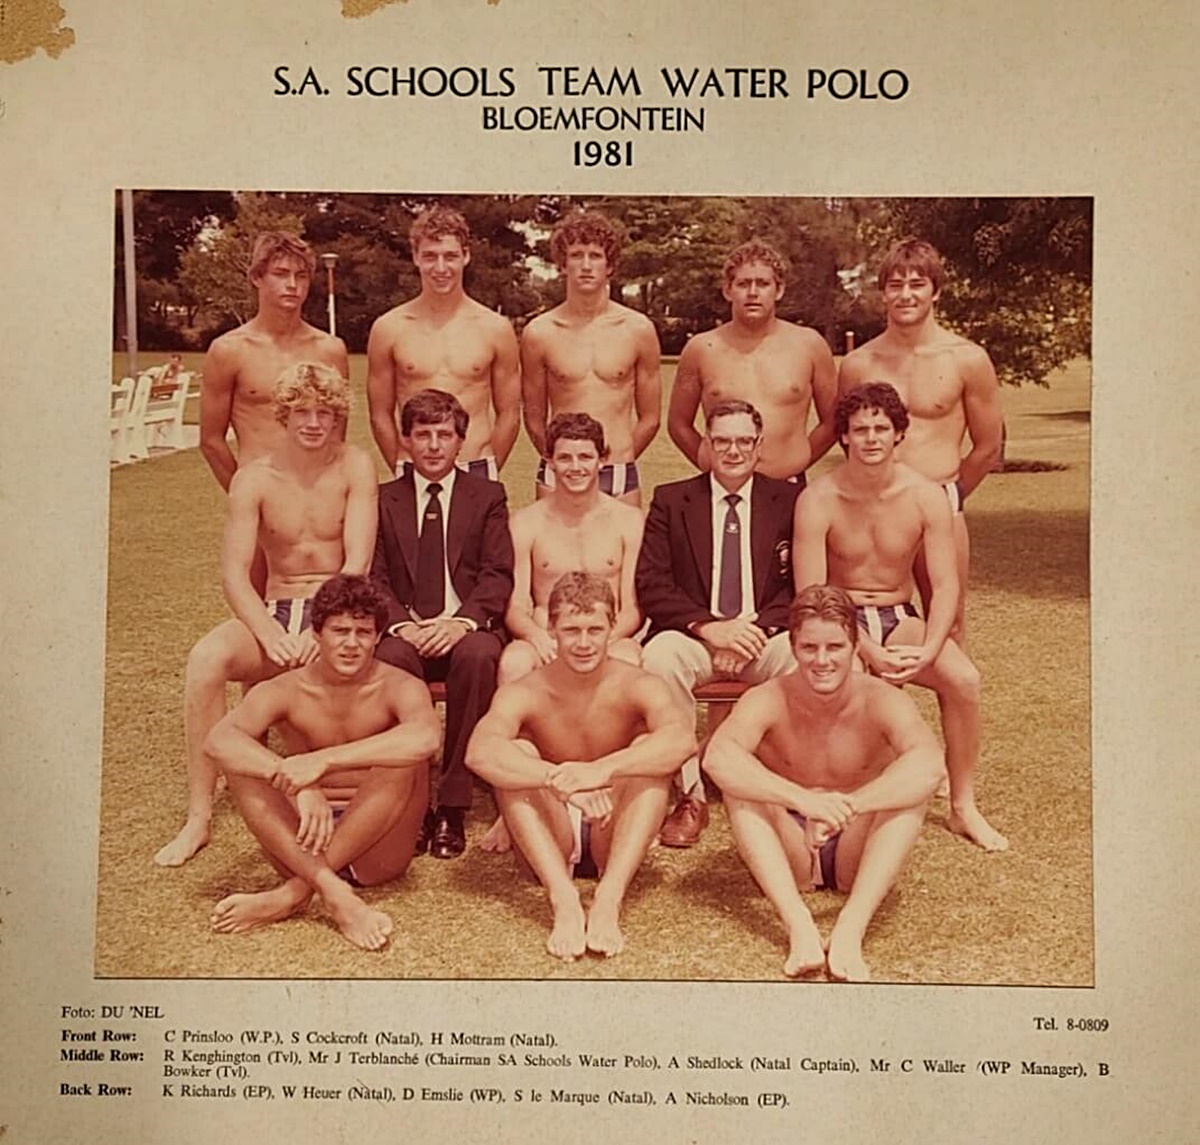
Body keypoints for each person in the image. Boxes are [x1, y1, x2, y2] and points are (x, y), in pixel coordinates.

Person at [154, 364, 378, 867]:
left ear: (337, 415)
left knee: (316, 664)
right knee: (206, 659)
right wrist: (271, 632)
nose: (314, 422)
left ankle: (311, 787)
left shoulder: (354, 466)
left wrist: (318, 631)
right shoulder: (253, 477)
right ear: (284, 415)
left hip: (334, 612)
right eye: (303, 412)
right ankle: (199, 816)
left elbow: (356, 564)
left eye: (324, 412)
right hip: (276, 609)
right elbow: (235, 575)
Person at [793, 381, 1007, 851]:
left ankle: (963, 806)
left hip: (897, 615)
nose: (870, 438)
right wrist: (864, 648)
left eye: (881, 429)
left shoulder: (926, 495)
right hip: (837, 620)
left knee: (964, 680)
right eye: (859, 429)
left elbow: (946, 583)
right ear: (844, 437)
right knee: (838, 682)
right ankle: (835, 799)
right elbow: (812, 592)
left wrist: (929, 646)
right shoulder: (819, 497)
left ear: (899, 434)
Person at [703, 584, 944, 981]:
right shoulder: (769, 697)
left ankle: (851, 928)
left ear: (854, 646)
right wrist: (803, 800)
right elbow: (719, 757)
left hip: (856, 841)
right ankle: (799, 925)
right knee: (740, 788)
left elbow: (930, 765)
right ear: (793, 647)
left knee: (909, 793)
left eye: (834, 648)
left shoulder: (882, 698)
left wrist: (849, 806)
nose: (822, 660)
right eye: (809, 648)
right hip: (790, 843)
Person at [465, 573, 694, 961]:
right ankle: (564, 899)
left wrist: (601, 770)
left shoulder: (639, 683)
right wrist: (558, 780)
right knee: (516, 752)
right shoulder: (527, 690)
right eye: (571, 630)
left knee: (648, 751)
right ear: (551, 629)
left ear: (612, 629)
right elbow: (480, 752)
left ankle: (609, 897)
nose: (584, 643)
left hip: (615, 822)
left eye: (595, 629)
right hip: (550, 825)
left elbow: (681, 740)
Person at [206, 575, 440, 951]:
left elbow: (426, 738)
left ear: (378, 637)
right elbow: (218, 739)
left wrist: (320, 762)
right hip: (301, 841)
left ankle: (291, 895)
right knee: (242, 765)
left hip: (377, 849)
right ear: (316, 633)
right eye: (340, 630)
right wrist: (289, 779)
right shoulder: (285, 689)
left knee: (401, 758)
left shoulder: (399, 685)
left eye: (363, 632)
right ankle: (333, 891)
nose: (351, 643)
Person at [635, 399, 802, 848]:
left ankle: (783, 787)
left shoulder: (788, 500)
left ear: (759, 445)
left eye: (744, 441)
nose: (733, 451)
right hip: (696, 635)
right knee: (657, 658)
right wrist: (710, 627)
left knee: (803, 659)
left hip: (762, 635)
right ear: (707, 443)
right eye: (722, 440)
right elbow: (652, 583)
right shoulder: (672, 499)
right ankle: (690, 794)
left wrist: (756, 632)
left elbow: (800, 589)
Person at [480, 412, 644, 855]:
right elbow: (513, 603)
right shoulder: (526, 523)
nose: (575, 467)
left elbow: (632, 607)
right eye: (565, 458)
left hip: (608, 636)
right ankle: (514, 798)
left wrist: (602, 642)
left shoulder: (629, 521)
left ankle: (615, 782)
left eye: (585, 457)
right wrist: (537, 637)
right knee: (514, 661)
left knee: (629, 660)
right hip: (546, 637)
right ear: (549, 462)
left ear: (602, 461)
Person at [370, 389, 514, 860]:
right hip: (406, 631)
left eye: (444, 436)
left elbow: (498, 573)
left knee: (480, 655)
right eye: (423, 435)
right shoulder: (382, 499)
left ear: (461, 442)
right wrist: (399, 626)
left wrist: (463, 622)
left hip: (463, 628)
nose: (433, 446)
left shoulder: (486, 495)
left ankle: (452, 803)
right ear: (406, 441)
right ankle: (412, 801)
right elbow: (376, 576)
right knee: (390, 658)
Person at [838, 237, 1004, 642]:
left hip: (941, 504)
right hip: (873, 508)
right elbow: (847, 440)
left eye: (917, 283)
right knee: (869, 623)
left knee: (948, 624)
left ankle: (957, 702)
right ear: (883, 294)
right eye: (895, 284)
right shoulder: (859, 363)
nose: (906, 294)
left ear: (936, 291)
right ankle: (884, 706)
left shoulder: (966, 359)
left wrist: (950, 496)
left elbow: (988, 446)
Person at [367, 206, 521, 479]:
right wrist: (402, 466)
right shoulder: (389, 328)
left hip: (476, 465)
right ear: (415, 257)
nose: (440, 268)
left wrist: (486, 470)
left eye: (450, 256)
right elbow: (380, 414)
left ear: (466, 256)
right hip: (412, 469)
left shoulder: (494, 328)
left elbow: (509, 413)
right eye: (430, 256)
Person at [668, 239, 837, 486]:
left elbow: (833, 421)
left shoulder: (809, 345)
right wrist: (711, 464)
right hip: (722, 487)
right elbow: (678, 424)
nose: (753, 292)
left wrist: (798, 461)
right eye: (743, 283)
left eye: (763, 283)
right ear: (728, 290)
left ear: (779, 290)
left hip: (788, 486)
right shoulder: (701, 349)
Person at [521, 209, 661, 506]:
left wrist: (616, 459)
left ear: (609, 265)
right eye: (576, 255)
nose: (586, 265)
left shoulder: (638, 329)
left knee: (624, 553)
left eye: (595, 255)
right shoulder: (540, 333)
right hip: (558, 472)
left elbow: (650, 417)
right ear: (562, 264)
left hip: (618, 471)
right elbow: (533, 418)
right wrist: (562, 462)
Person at [199, 232, 349, 493]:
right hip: (259, 490)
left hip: (318, 495)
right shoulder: (229, 350)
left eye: (301, 276)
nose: (292, 284)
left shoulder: (330, 350)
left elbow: (336, 435)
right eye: (280, 274)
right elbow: (211, 441)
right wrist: (244, 494)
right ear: (257, 277)